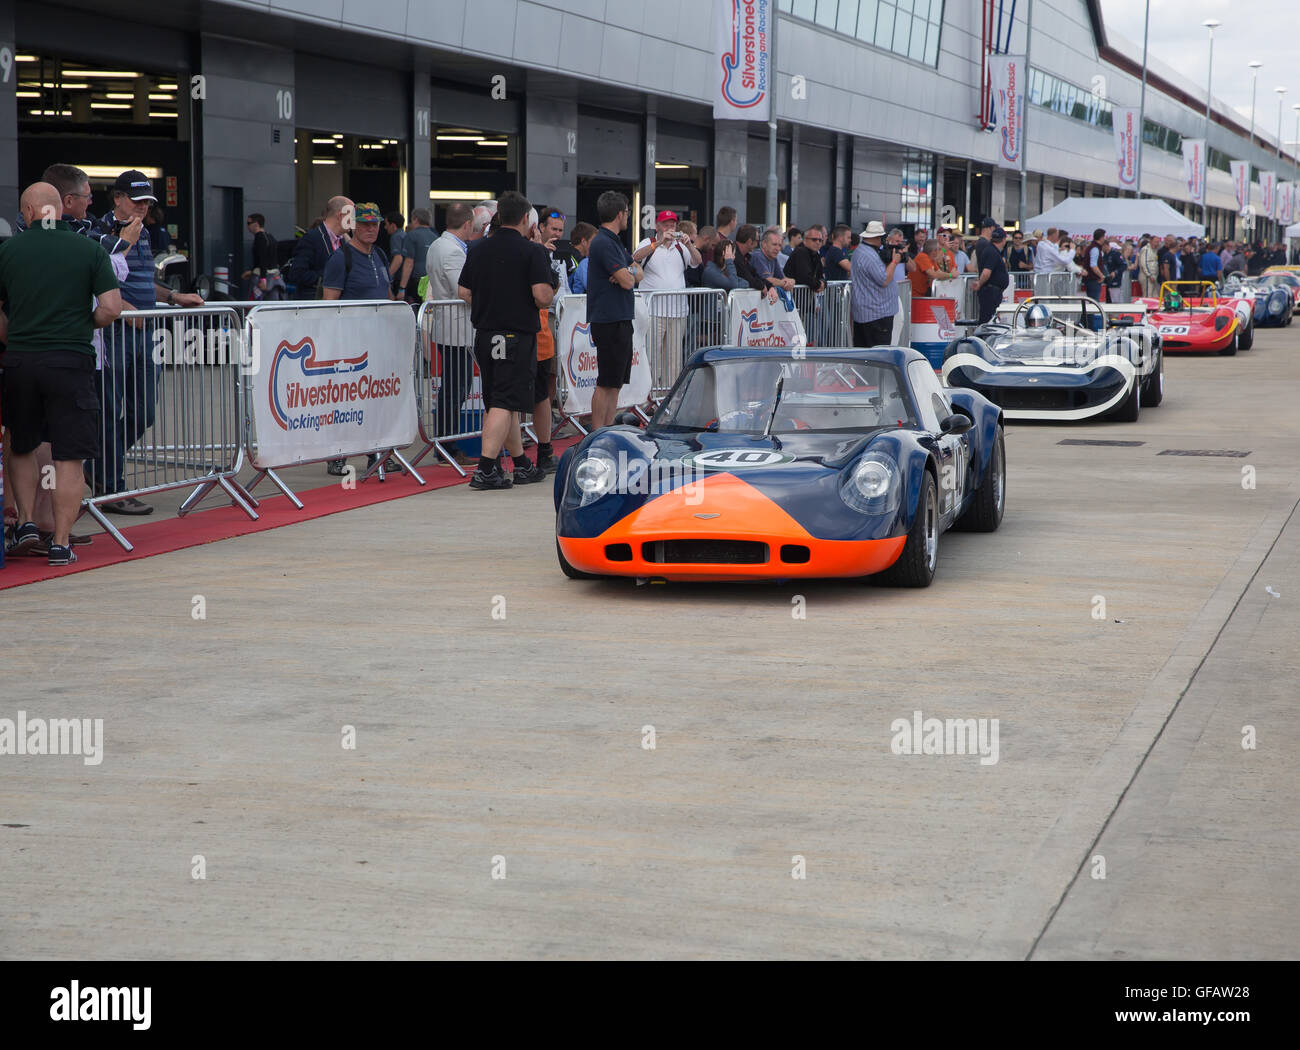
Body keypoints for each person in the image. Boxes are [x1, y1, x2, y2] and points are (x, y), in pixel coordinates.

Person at [0, 183, 123, 566]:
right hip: (70, 362)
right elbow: (111, 308)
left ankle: (28, 524)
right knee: (70, 457)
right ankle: (61, 542)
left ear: (29, 212)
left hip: (20, 362)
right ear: (60, 211)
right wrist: (81, 325)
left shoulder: (8, 251)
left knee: (20, 444)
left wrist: (17, 333)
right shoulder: (90, 250)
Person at [86, 170, 203, 514]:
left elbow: (143, 280)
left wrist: (173, 297)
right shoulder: (98, 232)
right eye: (136, 201)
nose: (142, 208)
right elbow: (94, 279)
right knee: (109, 409)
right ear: (118, 198)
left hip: (146, 331)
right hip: (114, 332)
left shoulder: (146, 234)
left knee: (144, 411)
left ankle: (99, 464)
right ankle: (111, 485)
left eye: (147, 202)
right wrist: (124, 308)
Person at [456, 190, 556, 488]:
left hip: (485, 334)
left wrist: (492, 301)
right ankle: (486, 468)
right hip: (516, 335)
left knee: (503, 400)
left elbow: (464, 292)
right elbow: (542, 296)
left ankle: (521, 463)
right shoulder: (532, 251)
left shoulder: (477, 249)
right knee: (504, 401)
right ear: (527, 219)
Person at [421, 201, 477, 467]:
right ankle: (447, 446)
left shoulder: (437, 246)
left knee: (453, 387)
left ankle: (446, 444)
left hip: (449, 327)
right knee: (456, 389)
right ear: (467, 224)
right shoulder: (453, 251)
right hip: (456, 329)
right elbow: (463, 290)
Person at [584, 190, 640, 431]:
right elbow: (628, 281)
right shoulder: (603, 242)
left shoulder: (614, 241)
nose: (628, 217)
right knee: (606, 381)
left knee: (615, 382)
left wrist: (629, 273)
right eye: (627, 212)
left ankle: (607, 430)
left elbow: (637, 271)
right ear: (620, 214)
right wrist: (628, 275)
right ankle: (598, 432)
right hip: (609, 319)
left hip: (620, 317)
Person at [632, 209, 700, 388]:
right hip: (653, 311)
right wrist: (660, 242)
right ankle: (648, 396)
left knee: (674, 359)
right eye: (665, 224)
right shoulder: (649, 242)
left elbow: (697, 261)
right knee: (652, 356)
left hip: (678, 311)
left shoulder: (681, 247)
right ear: (657, 226)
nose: (670, 227)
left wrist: (690, 245)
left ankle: (668, 398)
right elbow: (634, 258)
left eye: (672, 224)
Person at [530, 204, 569, 473]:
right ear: (538, 227)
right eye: (552, 229)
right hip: (526, 330)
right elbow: (544, 294)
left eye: (560, 231)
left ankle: (544, 450)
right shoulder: (532, 252)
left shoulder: (560, 254)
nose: (556, 234)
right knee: (514, 397)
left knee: (543, 391)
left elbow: (558, 288)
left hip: (545, 330)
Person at [285, 196, 352, 299]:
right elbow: (296, 274)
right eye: (351, 216)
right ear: (340, 216)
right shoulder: (311, 238)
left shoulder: (343, 240)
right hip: (315, 307)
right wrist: (329, 277)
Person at [850, 220, 901, 347]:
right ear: (878, 237)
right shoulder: (869, 255)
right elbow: (884, 280)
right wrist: (894, 262)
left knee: (864, 352)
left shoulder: (861, 252)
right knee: (879, 354)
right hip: (877, 313)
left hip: (868, 311)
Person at [972, 226, 1010, 324]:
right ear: (1004, 240)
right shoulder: (992, 252)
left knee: (989, 319)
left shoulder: (992, 250)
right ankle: (983, 338)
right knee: (987, 321)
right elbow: (986, 272)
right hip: (990, 292)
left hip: (992, 291)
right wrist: (980, 284)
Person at [398, 209, 436, 304]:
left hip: (417, 283)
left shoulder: (411, 235)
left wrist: (402, 288)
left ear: (415, 219)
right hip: (433, 283)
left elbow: (409, 263)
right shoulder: (436, 236)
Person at [244, 213, 279, 298]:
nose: (247, 226)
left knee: (256, 300)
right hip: (273, 276)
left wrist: (263, 279)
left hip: (262, 276)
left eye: (249, 223)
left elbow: (262, 259)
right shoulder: (270, 236)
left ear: (256, 224)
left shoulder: (259, 238)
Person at [733, 225, 775, 295]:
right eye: (757, 241)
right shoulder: (734, 255)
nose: (757, 244)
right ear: (749, 241)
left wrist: (770, 286)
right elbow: (748, 278)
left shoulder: (744, 256)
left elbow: (754, 275)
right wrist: (762, 286)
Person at [750, 227, 795, 292]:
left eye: (779, 245)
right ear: (764, 244)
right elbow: (767, 280)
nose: (777, 248)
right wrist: (785, 283)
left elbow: (782, 278)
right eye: (774, 244)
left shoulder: (773, 258)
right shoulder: (758, 256)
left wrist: (792, 281)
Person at [567, 221, 596, 293]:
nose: (596, 245)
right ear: (583, 241)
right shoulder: (582, 262)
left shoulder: (566, 254)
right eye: (594, 242)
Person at [1084, 228, 1107, 303]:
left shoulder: (1092, 247)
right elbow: (1093, 265)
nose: (1104, 239)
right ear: (1101, 238)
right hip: (1094, 280)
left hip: (1090, 279)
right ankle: (1091, 315)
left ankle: (1090, 314)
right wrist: (1101, 276)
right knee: (1094, 303)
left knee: (1092, 302)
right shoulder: (1095, 249)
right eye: (1104, 237)